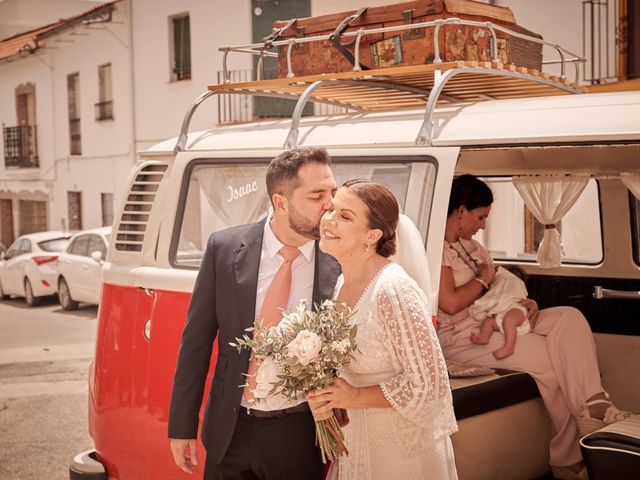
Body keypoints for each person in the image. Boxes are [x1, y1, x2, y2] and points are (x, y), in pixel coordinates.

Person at [437, 174, 633, 480]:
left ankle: (595, 404)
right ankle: (568, 458)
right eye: (480, 217)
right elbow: (449, 303)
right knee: (549, 360)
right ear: (461, 210)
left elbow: (501, 285)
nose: (482, 226)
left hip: (499, 319)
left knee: (569, 316)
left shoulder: (472, 247)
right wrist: (484, 279)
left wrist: (525, 303)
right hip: (464, 337)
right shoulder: (435, 248)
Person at [168, 147, 341, 479]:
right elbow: (196, 342)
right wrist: (182, 425)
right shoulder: (224, 248)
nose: (330, 204)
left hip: (299, 434)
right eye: (317, 195)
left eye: (332, 192)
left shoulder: (338, 259)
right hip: (228, 431)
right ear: (281, 202)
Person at [308, 179, 459, 480]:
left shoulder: (394, 289)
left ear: (372, 235)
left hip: (398, 451)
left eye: (345, 216)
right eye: (331, 209)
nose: (329, 220)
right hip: (355, 443)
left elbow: (430, 385)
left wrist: (352, 397)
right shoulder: (342, 284)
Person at [467, 265, 529, 359]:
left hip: (516, 311)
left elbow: (523, 300)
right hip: (500, 316)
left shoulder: (518, 293)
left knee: (509, 320)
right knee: (488, 321)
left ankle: (509, 347)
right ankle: (484, 336)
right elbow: (488, 301)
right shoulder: (494, 290)